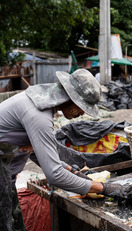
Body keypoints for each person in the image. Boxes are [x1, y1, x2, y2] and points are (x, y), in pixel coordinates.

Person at [0, 69, 123, 231]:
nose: (80, 113)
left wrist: (73, 171)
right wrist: (103, 188)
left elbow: (37, 151)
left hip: (6, 178)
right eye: (81, 107)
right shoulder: (38, 115)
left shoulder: (40, 102)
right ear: (69, 96)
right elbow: (54, 175)